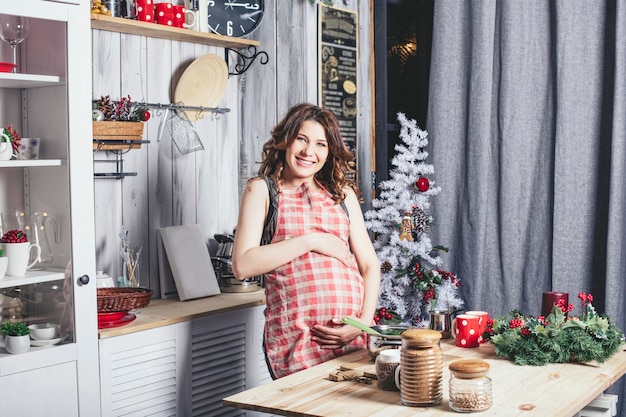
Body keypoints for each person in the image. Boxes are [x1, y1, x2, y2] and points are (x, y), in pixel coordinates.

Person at [232, 103, 381, 379]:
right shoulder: (264, 191)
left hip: (351, 336)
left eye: (320, 144)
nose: (308, 152)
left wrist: (363, 322)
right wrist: (311, 241)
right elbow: (242, 264)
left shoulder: (342, 195)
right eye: (301, 139)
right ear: (286, 140)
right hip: (297, 339)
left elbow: (370, 266)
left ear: (329, 151)